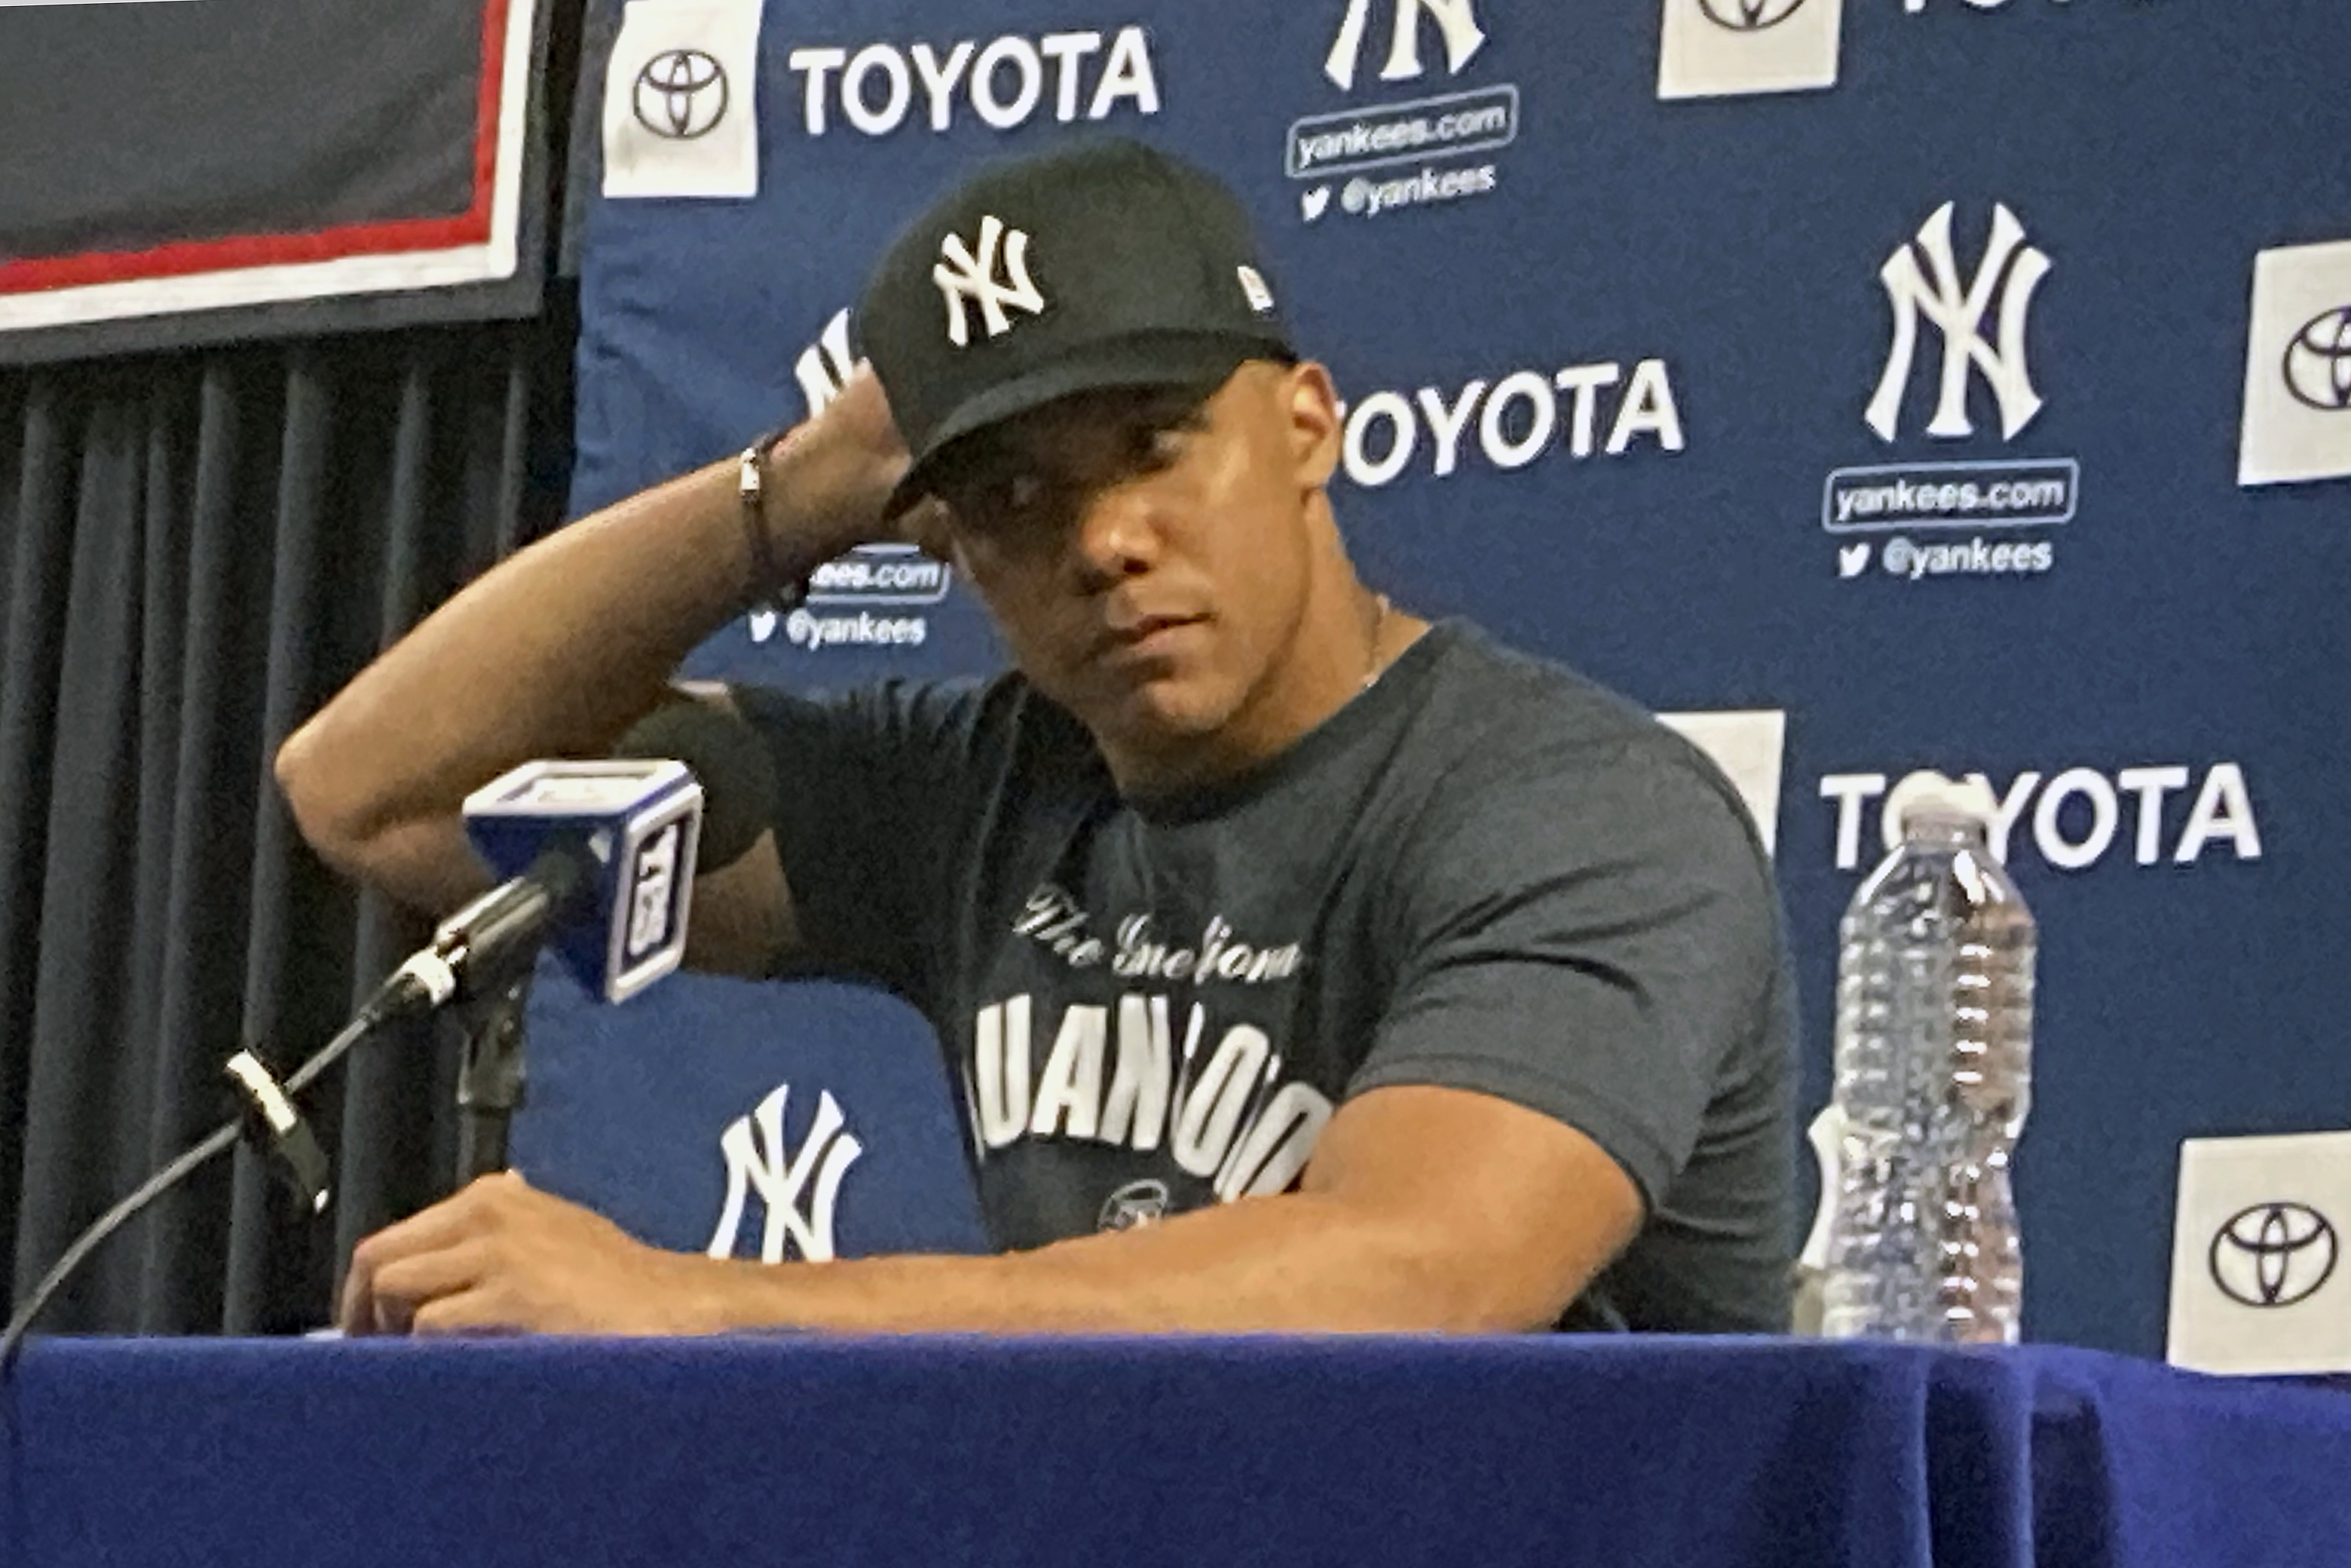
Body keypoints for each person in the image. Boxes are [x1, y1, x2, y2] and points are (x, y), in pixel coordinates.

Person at [276, 138, 1795, 1338]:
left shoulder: (1575, 811)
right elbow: (374, 793)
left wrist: (699, 1301)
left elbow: (1416, 1273)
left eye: (1153, 446)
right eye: (1014, 496)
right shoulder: (979, 786)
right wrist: (796, 491)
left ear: (1307, 428)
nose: (1105, 540)